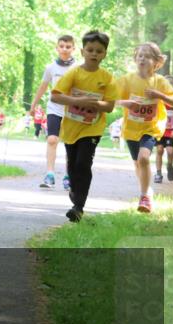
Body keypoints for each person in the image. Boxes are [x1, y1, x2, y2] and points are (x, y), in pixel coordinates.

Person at [49, 30, 118, 222]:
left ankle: (78, 207)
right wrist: (77, 100)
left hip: (92, 128)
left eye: (99, 51)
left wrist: (94, 104)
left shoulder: (107, 78)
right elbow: (55, 95)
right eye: (90, 50)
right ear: (82, 51)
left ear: (104, 54)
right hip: (71, 128)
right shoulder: (74, 73)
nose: (94, 54)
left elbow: (110, 106)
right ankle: (74, 189)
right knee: (72, 165)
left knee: (83, 163)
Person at [115, 43, 173, 213]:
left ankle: (144, 197)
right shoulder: (127, 80)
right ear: (136, 58)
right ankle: (146, 189)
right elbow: (110, 99)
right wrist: (125, 103)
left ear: (156, 62)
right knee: (138, 162)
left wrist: (159, 95)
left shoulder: (160, 81)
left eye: (147, 56)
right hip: (131, 129)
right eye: (140, 55)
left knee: (144, 158)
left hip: (151, 127)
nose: (143, 58)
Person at [28, 35, 77, 190]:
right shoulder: (51, 68)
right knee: (52, 140)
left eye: (68, 46)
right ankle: (49, 174)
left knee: (70, 143)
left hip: (72, 110)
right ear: (57, 48)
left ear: (73, 49)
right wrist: (33, 104)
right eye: (61, 46)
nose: (64, 49)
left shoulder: (78, 67)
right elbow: (43, 86)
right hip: (54, 108)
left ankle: (69, 176)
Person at [154, 76, 173, 183]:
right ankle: (158, 173)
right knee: (159, 150)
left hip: (170, 131)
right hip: (159, 130)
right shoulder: (158, 100)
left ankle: (170, 165)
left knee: (170, 152)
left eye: (171, 85)